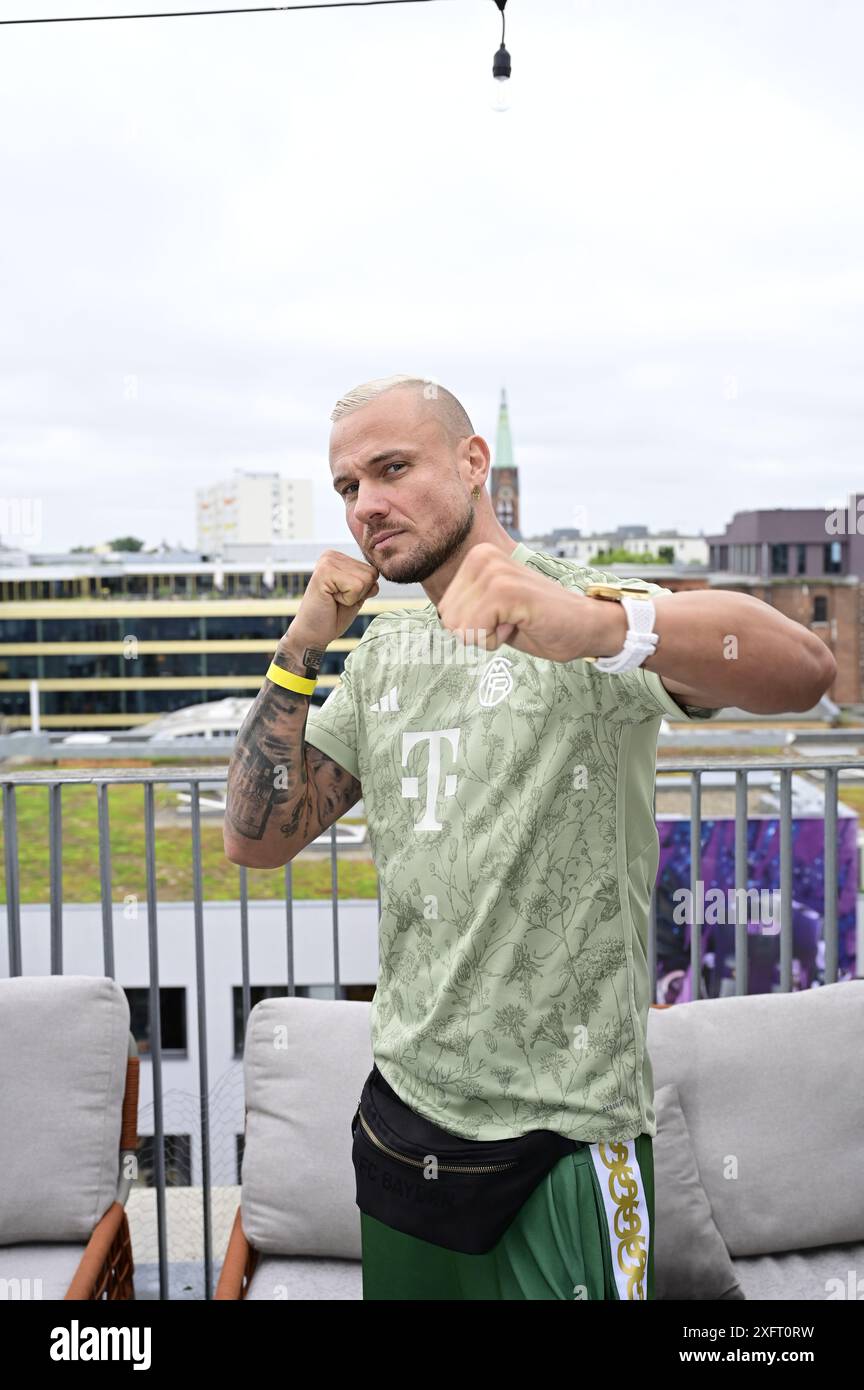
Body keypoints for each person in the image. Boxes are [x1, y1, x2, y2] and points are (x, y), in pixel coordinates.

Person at [223, 374, 837, 1300]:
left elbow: (802, 668)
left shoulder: (581, 611)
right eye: (349, 486)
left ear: (476, 464)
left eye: (393, 468)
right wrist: (306, 636)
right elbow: (257, 839)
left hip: (565, 1143)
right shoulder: (389, 654)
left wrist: (599, 627)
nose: (367, 505)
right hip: (404, 1122)